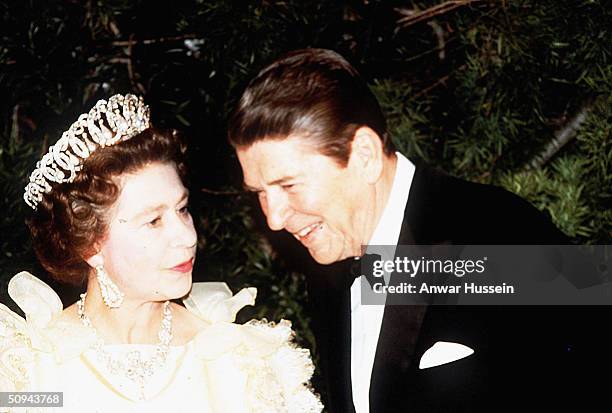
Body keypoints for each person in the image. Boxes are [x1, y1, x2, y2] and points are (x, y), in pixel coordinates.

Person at [227, 49, 596, 412]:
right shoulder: (333, 253)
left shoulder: (500, 230)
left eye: (289, 186)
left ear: (365, 156)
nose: (273, 219)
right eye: (260, 193)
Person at [0, 94, 323, 412]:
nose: (186, 236)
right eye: (154, 220)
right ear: (89, 244)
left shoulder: (241, 360)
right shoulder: (31, 370)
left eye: (182, 209)